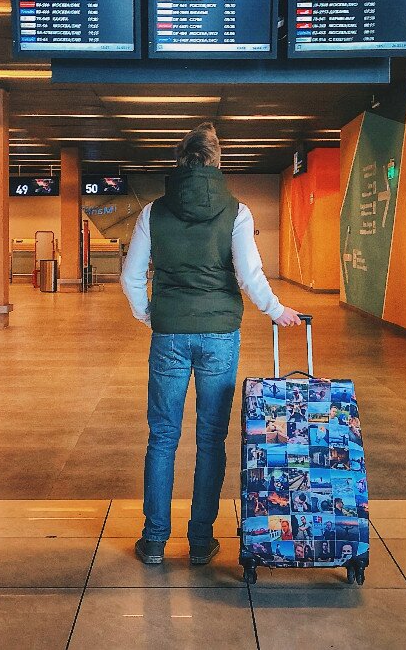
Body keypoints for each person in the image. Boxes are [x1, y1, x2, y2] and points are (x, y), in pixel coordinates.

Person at [123, 122, 303, 566]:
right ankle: (201, 540)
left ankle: (154, 541)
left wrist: (149, 313)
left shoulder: (152, 212)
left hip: (169, 334)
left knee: (162, 437)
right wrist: (276, 310)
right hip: (220, 335)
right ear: (216, 161)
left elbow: (131, 276)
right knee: (211, 438)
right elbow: (249, 275)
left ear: (179, 161)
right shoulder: (237, 211)